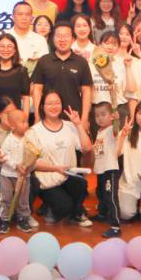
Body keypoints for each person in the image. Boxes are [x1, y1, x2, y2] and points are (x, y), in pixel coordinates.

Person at [28, 91, 93, 227]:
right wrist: (56, 168)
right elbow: (32, 163)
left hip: (68, 175)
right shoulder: (34, 131)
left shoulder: (70, 126)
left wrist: (78, 124)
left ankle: (75, 212)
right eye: (49, 103)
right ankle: (64, 208)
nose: (54, 106)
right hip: (48, 179)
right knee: (64, 206)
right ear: (42, 106)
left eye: (57, 103)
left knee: (81, 184)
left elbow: (87, 148)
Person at [31, 22, 94, 121]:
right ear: (53, 39)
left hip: (74, 118)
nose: (62, 39)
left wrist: (84, 119)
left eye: (66, 36)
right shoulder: (44, 61)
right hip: (47, 118)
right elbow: (37, 90)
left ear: (73, 39)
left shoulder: (81, 62)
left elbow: (86, 91)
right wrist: (37, 116)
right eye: (59, 36)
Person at [0, 101, 37, 233]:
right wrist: (15, 165)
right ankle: (4, 220)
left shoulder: (28, 139)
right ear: (13, 125)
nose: (26, 124)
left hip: (24, 175)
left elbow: (33, 153)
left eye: (27, 121)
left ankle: (22, 219)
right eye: (23, 122)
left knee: (23, 199)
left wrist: (29, 164)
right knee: (6, 198)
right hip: (7, 175)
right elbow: (4, 155)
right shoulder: (9, 139)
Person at [0, 32, 31, 125]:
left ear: (15, 50)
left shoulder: (22, 71)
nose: (5, 49)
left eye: (9, 46)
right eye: (2, 46)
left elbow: (26, 98)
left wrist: (25, 121)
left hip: (14, 120)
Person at [89, 100, 123, 236]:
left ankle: (115, 226)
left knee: (110, 197)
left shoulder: (111, 130)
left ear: (111, 116)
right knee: (101, 193)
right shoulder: (99, 131)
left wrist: (116, 120)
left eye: (103, 114)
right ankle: (102, 214)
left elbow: (116, 129)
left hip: (110, 169)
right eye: (97, 115)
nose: (100, 118)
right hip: (101, 169)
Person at [9, 1, 49, 67]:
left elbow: (45, 65)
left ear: (32, 18)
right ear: (12, 17)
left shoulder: (40, 40)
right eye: (20, 14)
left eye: (27, 14)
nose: (24, 18)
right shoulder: (3, 36)